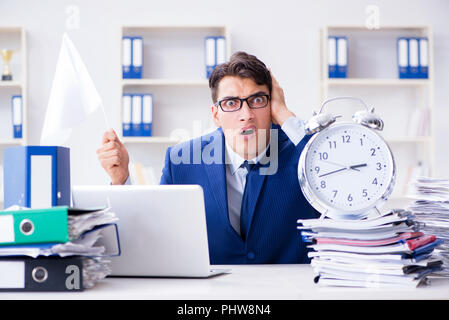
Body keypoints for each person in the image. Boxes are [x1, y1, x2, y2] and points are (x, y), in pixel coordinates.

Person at [97, 51, 319, 264]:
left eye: (257, 100)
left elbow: (338, 173)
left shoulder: (304, 154)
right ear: (216, 115)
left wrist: (284, 115)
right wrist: (121, 180)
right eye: (231, 103)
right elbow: (154, 232)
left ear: (271, 106)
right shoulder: (181, 161)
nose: (246, 115)